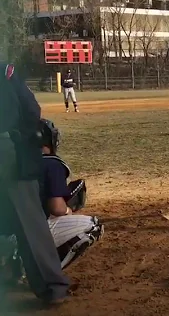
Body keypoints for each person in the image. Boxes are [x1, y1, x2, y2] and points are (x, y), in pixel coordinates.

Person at [0, 63, 72, 305]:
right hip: (6, 150)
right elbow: (31, 110)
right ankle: (52, 288)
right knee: (29, 221)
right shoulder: (4, 70)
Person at [39, 118, 104, 269]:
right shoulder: (52, 164)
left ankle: (13, 265)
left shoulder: (10, 161)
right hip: (25, 234)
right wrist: (68, 210)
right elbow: (57, 208)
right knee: (93, 227)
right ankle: (45, 273)